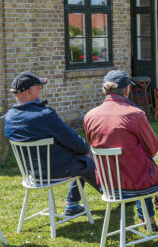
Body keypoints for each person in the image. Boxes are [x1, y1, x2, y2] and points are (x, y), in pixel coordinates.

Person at [84, 70, 158, 230]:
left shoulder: (90, 116)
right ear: (128, 89)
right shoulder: (135, 114)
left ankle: (150, 216)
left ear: (105, 89)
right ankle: (151, 212)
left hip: (108, 183)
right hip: (136, 182)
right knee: (143, 163)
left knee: (140, 163)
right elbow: (153, 148)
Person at [5, 71, 101, 216]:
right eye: (39, 86)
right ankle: (114, 194)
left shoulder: (9, 117)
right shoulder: (44, 114)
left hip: (32, 172)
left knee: (80, 157)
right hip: (54, 170)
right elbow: (74, 141)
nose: (41, 89)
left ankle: (73, 204)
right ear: (31, 90)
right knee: (87, 158)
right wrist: (84, 149)